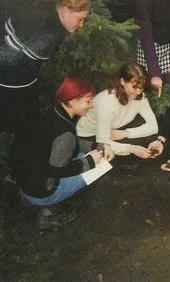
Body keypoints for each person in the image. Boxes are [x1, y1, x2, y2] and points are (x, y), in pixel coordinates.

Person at [0, 0, 92, 181]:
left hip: (11, 80)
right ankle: (20, 175)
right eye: (80, 19)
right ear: (65, 11)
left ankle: (20, 167)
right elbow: (4, 56)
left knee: (26, 127)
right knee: (24, 130)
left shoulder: (43, 10)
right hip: (11, 88)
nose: (82, 24)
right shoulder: (47, 37)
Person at [13, 77, 108, 229]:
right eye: (87, 101)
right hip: (42, 192)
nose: (91, 106)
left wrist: (96, 145)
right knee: (98, 167)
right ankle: (50, 209)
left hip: (25, 183)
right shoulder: (65, 133)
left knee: (82, 157)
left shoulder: (53, 112)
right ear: (72, 101)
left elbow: (69, 146)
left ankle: (32, 200)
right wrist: (91, 162)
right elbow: (57, 170)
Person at [77, 62, 158, 159]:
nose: (139, 92)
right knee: (116, 157)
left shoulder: (140, 97)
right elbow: (103, 142)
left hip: (113, 131)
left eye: (142, 87)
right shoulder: (106, 103)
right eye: (135, 87)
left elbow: (153, 127)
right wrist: (131, 148)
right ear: (122, 81)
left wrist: (125, 133)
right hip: (89, 137)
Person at [136, 0, 170, 96]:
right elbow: (145, 32)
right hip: (149, 46)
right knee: (149, 90)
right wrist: (154, 72)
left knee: (167, 89)